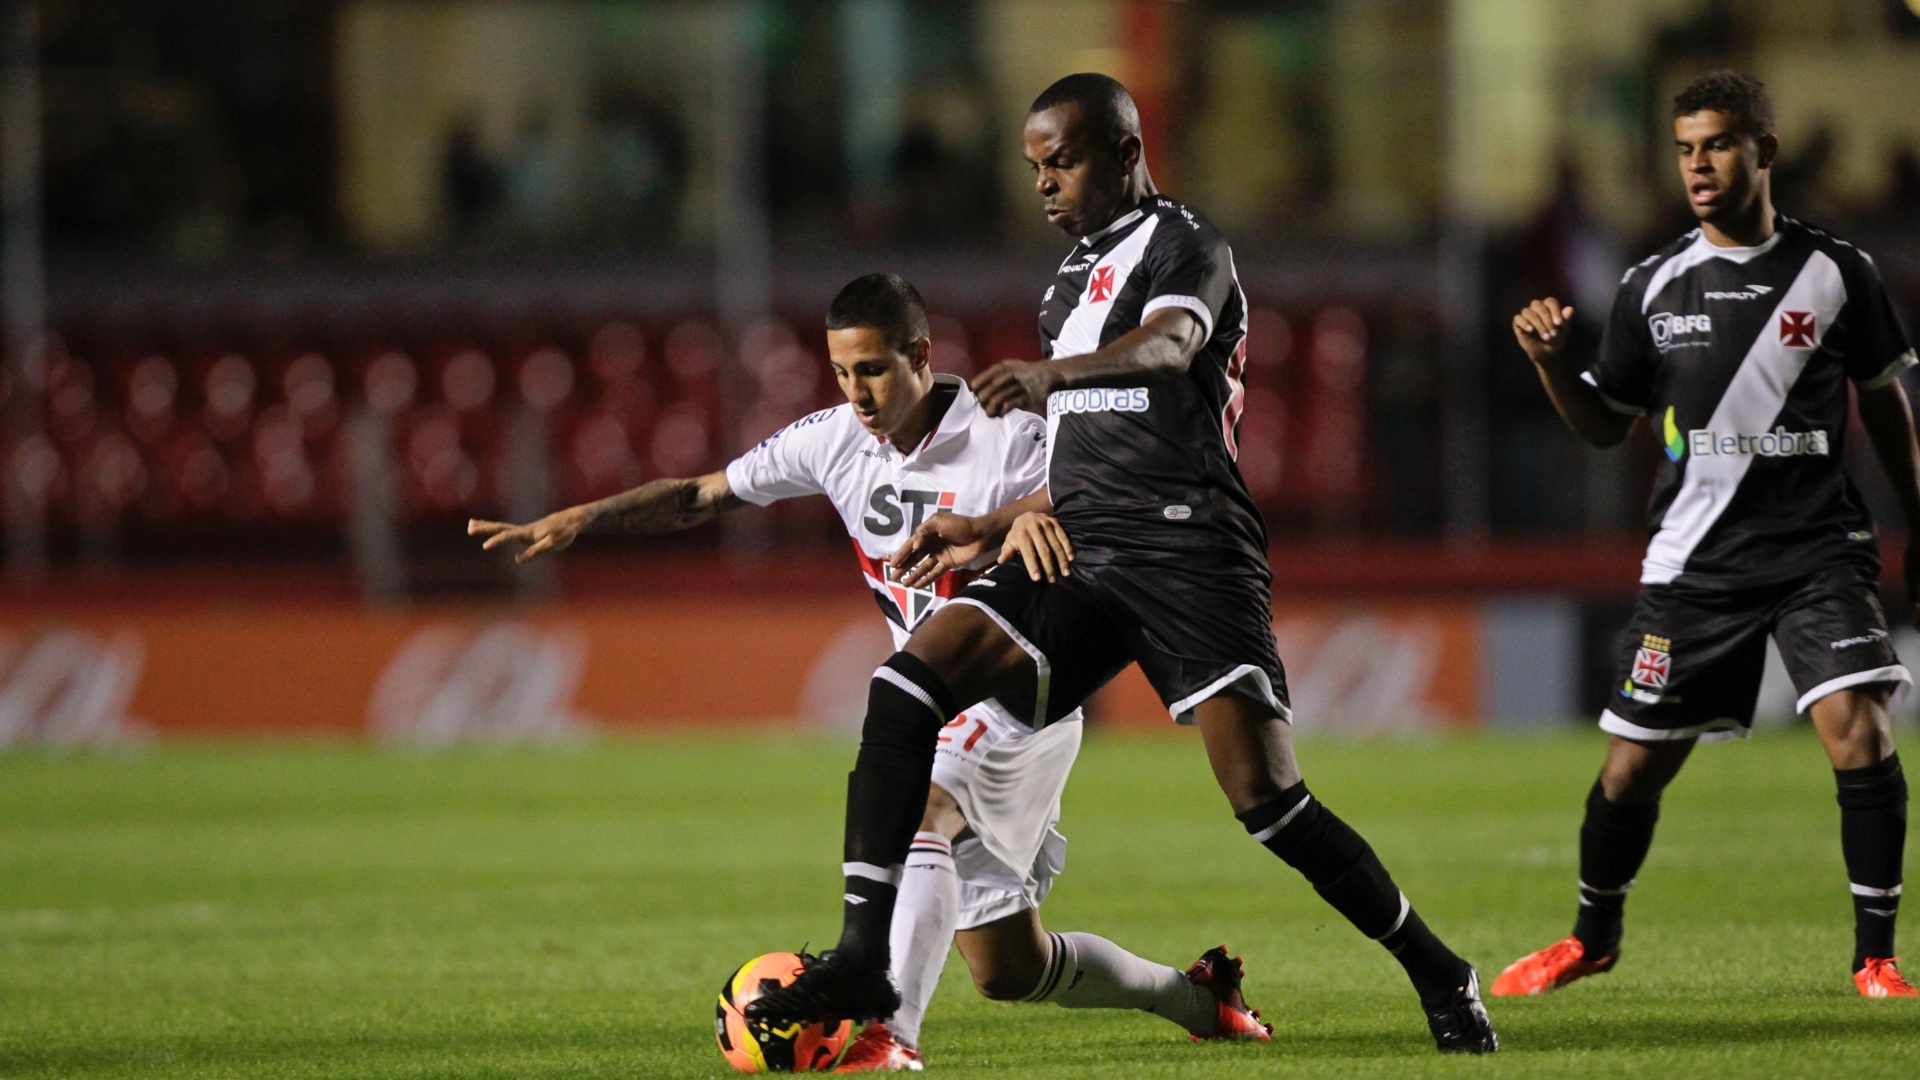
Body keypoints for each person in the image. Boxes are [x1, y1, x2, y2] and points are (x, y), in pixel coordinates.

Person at [741, 74, 1498, 1055]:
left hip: (1188, 547)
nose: (1045, 184)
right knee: (905, 683)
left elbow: (1175, 343)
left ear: (1125, 153)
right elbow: (1082, 448)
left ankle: (1440, 971)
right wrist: (991, 523)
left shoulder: (1188, 244)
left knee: (1269, 805)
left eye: (1062, 160)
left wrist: (1055, 373)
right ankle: (860, 958)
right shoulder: (1067, 282)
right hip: (1086, 551)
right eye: (1034, 167)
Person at [469, 273, 1273, 1072]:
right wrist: (580, 519)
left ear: (920, 354)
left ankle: (894, 1039)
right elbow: (698, 495)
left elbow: (1105, 496)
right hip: (931, 703)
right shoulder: (831, 440)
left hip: (1019, 690)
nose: (857, 392)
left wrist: (1032, 519)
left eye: (874, 370)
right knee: (1008, 969)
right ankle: (1198, 997)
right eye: (843, 372)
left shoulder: (1008, 433)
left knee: (924, 812)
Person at [1494, 70, 1920, 1000]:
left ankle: (1876, 956)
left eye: (1719, 144)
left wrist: (1918, 523)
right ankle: (1591, 936)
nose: (1698, 164)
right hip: (1695, 566)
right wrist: (1552, 365)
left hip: (1818, 553)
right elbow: (1608, 425)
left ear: (1764, 152)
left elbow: (1885, 401)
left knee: (1859, 731)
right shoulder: (1652, 283)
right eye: (1685, 148)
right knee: (1631, 769)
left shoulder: (1839, 273)